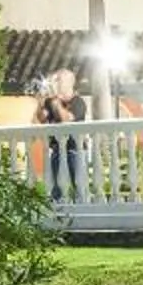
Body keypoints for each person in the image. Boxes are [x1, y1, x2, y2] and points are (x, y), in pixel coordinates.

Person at [35, 67, 88, 201]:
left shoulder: (78, 102)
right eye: (55, 80)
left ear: (70, 82)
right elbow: (41, 119)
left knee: (79, 186)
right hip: (57, 150)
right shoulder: (50, 102)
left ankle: (81, 207)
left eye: (59, 80)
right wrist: (40, 103)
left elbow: (67, 120)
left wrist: (56, 102)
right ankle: (58, 210)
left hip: (75, 150)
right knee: (57, 189)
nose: (55, 83)